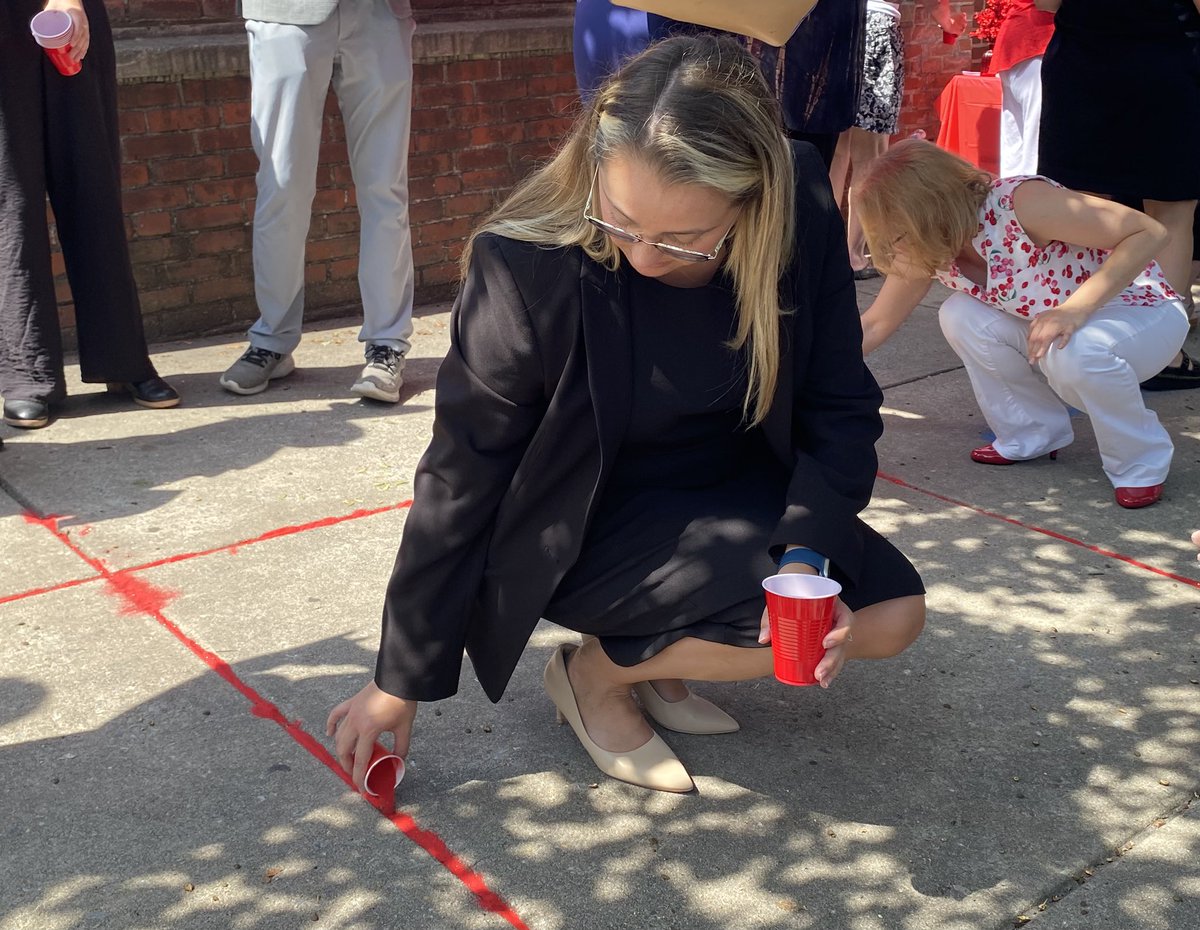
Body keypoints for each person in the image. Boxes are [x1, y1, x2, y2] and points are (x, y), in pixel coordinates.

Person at [326, 35, 926, 795]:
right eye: (620, 219)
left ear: (752, 198)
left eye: (683, 239)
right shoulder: (523, 265)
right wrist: (398, 676)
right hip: (584, 522)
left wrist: (804, 558)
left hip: (729, 494)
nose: (643, 256)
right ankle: (597, 674)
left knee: (893, 614)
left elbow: (841, 404)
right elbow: (461, 474)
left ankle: (655, 657)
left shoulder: (798, 195)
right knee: (781, 614)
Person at [855, 140, 1191, 510]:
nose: (896, 243)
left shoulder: (1021, 202)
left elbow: (1149, 232)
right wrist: (806, 371)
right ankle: (1033, 431)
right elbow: (875, 323)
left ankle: (1141, 460)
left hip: (1141, 309)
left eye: (899, 230)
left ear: (932, 207)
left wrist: (1074, 309)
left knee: (1075, 350)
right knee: (960, 314)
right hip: (1059, 321)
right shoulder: (926, 242)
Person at [220, 0, 416, 403]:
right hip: (284, 11)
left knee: (385, 188)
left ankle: (387, 344)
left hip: (379, 13)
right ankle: (272, 339)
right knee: (281, 185)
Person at [0, 0, 179, 430]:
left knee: (92, 187)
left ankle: (123, 361)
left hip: (66, 12)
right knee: (12, 202)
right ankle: (28, 378)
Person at [1036, 0, 1200, 390]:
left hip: (1081, 61)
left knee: (1080, 205)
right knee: (1171, 210)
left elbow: (1043, 2)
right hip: (1166, 60)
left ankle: (1067, 337)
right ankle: (1163, 356)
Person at [828, 0, 966, 279]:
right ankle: (852, 256)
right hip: (877, 26)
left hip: (834, 26)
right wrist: (946, 19)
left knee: (835, 148)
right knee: (871, 152)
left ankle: (823, 250)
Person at [990, 0, 1054, 177]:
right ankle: (1029, 197)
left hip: (1021, 37)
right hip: (1037, 39)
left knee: (1016, 142)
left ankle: (1010, 200)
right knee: (1037, 139)